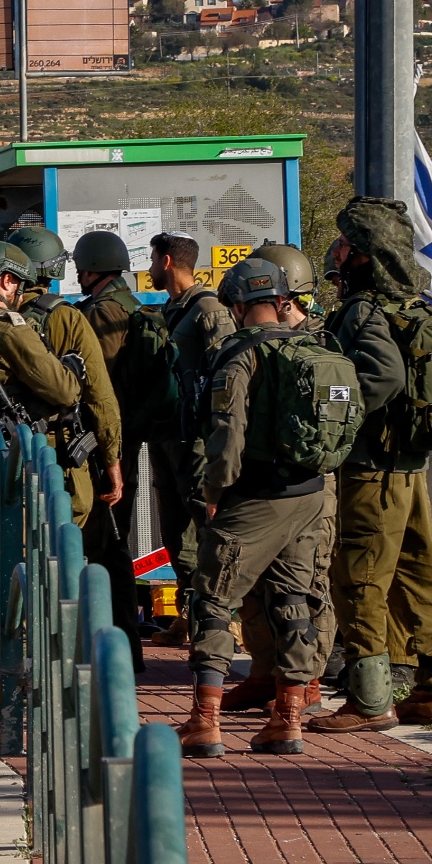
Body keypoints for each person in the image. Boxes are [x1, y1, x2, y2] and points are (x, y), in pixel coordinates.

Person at [174, 258, 336, 757]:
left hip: (255, 496)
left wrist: (214, 493)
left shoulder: (238, 355)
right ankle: (287, 720)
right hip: (311, 493)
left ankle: (205, 722)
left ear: (238, 304)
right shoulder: (317, 348)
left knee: (213, 597)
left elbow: (227, 432)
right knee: (294, 599)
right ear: (284, 300)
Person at [310, 197, 432, 734]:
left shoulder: (364, 311)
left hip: (372, 468)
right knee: (419, 572)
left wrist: (340, 423)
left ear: (365, 255)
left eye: (346, 243)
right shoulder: (413, 306)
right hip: (411, 468)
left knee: (360, 577)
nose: (338, 251)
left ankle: (369, 701)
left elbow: (384, 377)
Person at [0, 241, 83, 712]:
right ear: (6, 281)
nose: (23, 293)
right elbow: (62, 390)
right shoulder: (9, 330)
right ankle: (18, 684)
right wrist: (68, 369)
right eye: (20, 284)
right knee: (23, 571)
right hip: (6, 465)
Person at [221, 242, 340, 712]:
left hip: (310, 481)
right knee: (253, 584)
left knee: (308, 582)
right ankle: (264, 669)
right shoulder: (259, 343)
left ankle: (304, 681)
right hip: (260, 479)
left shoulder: (321, 344)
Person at [71, 229, 173, 672]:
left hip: (108, 443)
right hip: (121, 437)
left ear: (90, 267)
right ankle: (121, 648)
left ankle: (120, 651)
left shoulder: (104, 312)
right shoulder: (128, 304)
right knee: (111, 544)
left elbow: (101, 384)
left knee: (106, 545)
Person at [145, 231, 236, 646]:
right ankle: (188, 614)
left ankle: (221, 619)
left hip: (196, 439)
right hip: (168, 433)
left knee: (208, 525)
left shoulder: (209, 311)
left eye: (151, 259)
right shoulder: (172, 308)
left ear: (166, 261)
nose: (148, 268)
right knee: (175, 530)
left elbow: (227, 373)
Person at [3, 226, 125, 523]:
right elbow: (100, 396)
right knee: (61, 539)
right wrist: (113, 464)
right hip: (58, 453)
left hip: (1, 449)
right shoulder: (67, 318)